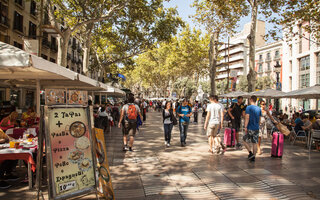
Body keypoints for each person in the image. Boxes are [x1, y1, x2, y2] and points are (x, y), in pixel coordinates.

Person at [243, 95, 261, 162]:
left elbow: (247, 117)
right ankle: (253, 156)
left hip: (250, 127)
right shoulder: (258, 108)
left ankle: (250, 153)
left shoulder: (248, 107)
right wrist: (258, 125)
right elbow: (259, 118)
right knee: (254, 143)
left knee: (244, 140)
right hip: (256, 127)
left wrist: (245, 126)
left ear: (251, 99)